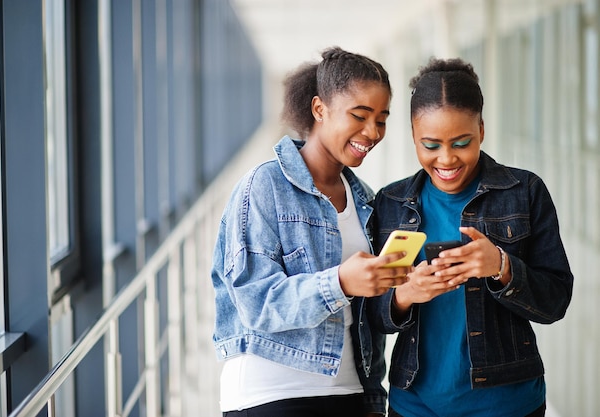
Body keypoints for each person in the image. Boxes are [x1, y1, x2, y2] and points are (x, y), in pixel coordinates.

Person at [368, 57, 574, 417]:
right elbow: (371, 318)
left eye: (461, 142)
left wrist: (502, 266)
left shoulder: (524, 191)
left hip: (508, 404)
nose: (446, 159)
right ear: (413, 136)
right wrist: (405, 295)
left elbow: (555, 302)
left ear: (481, 129)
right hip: (414, 405)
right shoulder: (390, 203)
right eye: (430, 145)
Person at [211, 47, 410, 417]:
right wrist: (340, 282)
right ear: (319, 109)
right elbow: (256, 302)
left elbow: (367, 319)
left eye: (381, 119)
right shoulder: (264, 186)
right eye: (360, 115)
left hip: (350, 390)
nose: (372, 132)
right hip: (270, 393)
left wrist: (371, 399)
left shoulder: (365, 199)